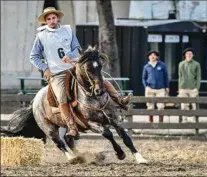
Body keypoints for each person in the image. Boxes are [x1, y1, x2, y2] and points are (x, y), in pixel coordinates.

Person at [30, 7, 132, 138]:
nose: (51, 21)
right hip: (57, 73)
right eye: (48, 19)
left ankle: (119, 100)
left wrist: (71, 56)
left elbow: (76, 48)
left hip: (74, 66)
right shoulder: (41, 36)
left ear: (57, 18)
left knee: (99, 79)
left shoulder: (67, 30)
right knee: (61, 96)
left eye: (53, 18)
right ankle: (71, 126)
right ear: (45, 21)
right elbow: (34, 56)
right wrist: (45, 68)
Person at [142, 50, 169, 123]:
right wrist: (146, 86)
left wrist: (167, 87)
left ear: (157, 56)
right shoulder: (146, 66)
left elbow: (166, 76)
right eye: (151, 55)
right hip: (150, 89)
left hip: (160, 89)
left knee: (161, 105)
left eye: (154, 55)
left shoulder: (162, 65)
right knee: (150, 105)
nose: (152, 56)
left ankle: (161, 122)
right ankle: (151, 121)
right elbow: (144, 77)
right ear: (149, 57)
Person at [178, 48, 201, 122]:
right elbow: (180, 76)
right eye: (187, 54)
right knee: (184, 104)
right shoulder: (181, 64)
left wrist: (197, 87)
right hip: (183, 87)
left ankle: (195, 119)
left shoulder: (196, 64)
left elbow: (198, 77)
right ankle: (184, 119)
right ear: (185, 55)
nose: (189, 55)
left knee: (194, 105)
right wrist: (179, 88)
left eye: (190, 54)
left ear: (193, 55)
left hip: (193, 88)